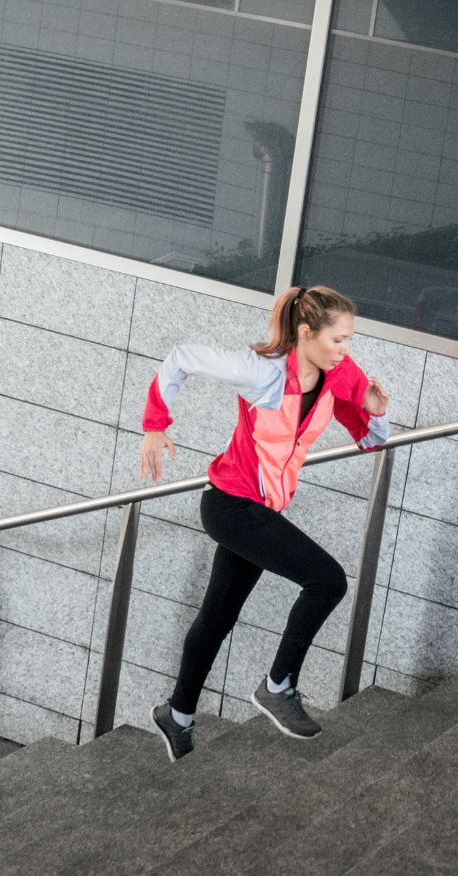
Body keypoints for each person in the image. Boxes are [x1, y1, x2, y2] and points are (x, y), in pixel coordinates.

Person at [139, 286, 390, 762]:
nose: (345, 349)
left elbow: (370, 440)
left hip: (261, 511)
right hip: (231, 506)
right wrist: (156, 424)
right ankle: (279, 686)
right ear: (304, 333)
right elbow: (181, 358)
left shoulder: (342, 374)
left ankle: (177, 715)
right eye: (338, 339)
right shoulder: (262, 372)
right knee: (327, 580)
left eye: (349, 340)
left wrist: (376, 414)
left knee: (217, 617)